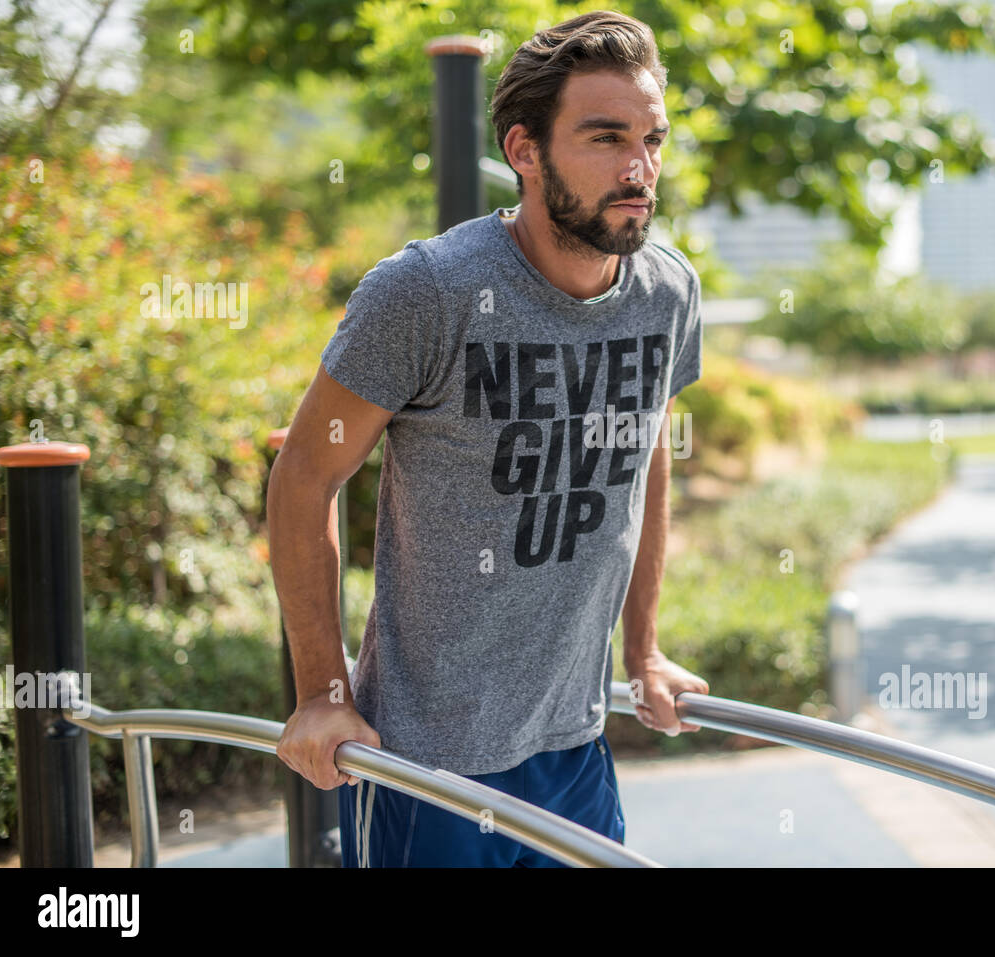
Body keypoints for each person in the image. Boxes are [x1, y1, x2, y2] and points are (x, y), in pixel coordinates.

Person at [269, 9, 709, 867]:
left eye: (653, 139)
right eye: (605, 137)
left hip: (575, 747)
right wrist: (322, 692)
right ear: (525, 150)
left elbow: (646, 446)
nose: (638, 168)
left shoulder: (667, 293)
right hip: (428, 765)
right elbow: (303, 477)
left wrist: (644, 648)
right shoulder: (425, 292)